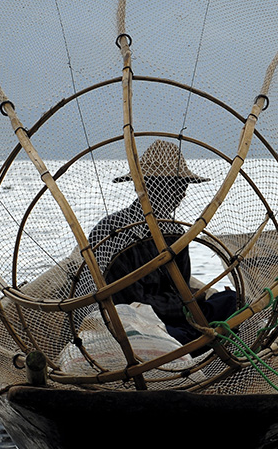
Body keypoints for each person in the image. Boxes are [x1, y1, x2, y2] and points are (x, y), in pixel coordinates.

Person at [86, 139, 238, 344]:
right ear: (150, 186)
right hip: (133, 323)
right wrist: (188, 301)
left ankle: (194, 338)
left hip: (176, 317)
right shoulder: (113, 230)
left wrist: (190, 300)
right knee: (173, 336)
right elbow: (131, 304)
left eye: (183, 186)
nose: (182, 194)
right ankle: (194, 340)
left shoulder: (175, 232)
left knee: (231, 301)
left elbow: (181, 285)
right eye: (175, 186)